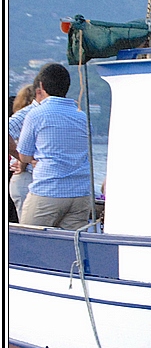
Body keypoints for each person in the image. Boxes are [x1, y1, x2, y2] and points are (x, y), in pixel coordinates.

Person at [16, 63, 93, 229]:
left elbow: (24, 156)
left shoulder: (36, 114)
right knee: (70, 247)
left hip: (48, 190)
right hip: (80, 193)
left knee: (28, 240)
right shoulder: (81, 116)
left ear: (41, 86)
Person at [8, 81, 40, 220]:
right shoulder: (30, 116)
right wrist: (24, 158)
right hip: (26, 176)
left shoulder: (22, 117)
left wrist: (22, 158)